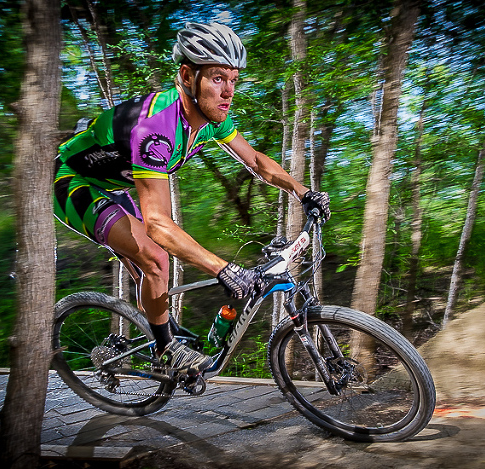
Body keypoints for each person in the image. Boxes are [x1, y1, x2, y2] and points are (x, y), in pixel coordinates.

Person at [54, 22, 330, 376]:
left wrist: (303, 192)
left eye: (233, 80)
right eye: (217, 78)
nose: (228, 91)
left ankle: (158, 332)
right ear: (187, 75)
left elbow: (257, 161)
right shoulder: (156, 129)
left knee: (157, 266)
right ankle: (164, 349)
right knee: (156, 257)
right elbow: (156, 223)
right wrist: (223, 267)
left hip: (118, 184)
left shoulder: (210, 118)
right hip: (73, 180)